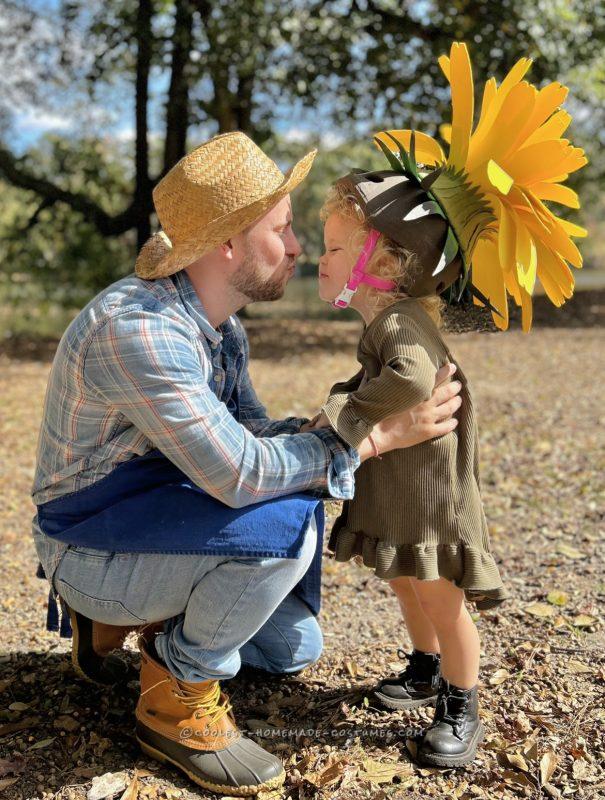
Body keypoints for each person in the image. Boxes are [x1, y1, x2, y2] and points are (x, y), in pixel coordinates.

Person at [31, 131, 462, 795]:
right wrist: (371, 441)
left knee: (293, 650)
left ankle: (118, 623)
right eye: (283, 229)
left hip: (153, 516)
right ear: (228, 244)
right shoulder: (140, 332)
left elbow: (248, 432)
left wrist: (330, 423)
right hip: (91, 539)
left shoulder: (218, 324)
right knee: (288, 523)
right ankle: (173, 698)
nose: (297, 248)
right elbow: (239, 474)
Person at [304, 40, 586, 769]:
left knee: (439, 596)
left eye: (334, 248)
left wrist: (342, 406)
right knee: (406, 581)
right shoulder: (384, 318)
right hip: (400, 492)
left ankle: (461, 700)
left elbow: (407, 380)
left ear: (383, 261)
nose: (321, 260)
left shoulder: (400, 325)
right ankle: (424, 670)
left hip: (430, 499)